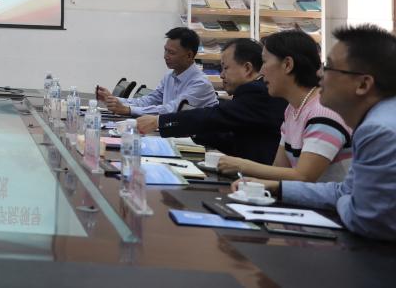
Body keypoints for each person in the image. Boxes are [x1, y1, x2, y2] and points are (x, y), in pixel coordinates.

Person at [233, 25, 396, 240]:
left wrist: (347, 201)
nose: (319, 73)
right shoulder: (375, 120)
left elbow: (366, 220)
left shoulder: (379, 131)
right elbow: (344, 191)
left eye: (329, 67)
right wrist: (278, 188)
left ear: (363, 84)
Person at [217, 29, 352, 184]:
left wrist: (243, 166)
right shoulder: (293, 108)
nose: (261, 71)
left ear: (287, 64)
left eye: (265, 62)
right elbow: (279, 169)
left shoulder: (323, 111)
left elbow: (304, 176)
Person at [135, 38, 286, 164]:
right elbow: (228, 137)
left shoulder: (257, 92)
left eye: (225, 68)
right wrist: (192, 132)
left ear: (247, 68)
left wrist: (159, 121)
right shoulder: (251, 92)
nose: (221, 75)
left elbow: (212, 116)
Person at [98, 27, 218, 116]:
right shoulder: (170, 76)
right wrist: (114, 100)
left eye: (171, 53)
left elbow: (171, 110)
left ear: (189, 55)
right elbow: (149, 101)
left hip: (197, 140)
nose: (165, 56)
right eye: (165, 50)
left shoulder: (200, 83)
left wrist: (128, 110)